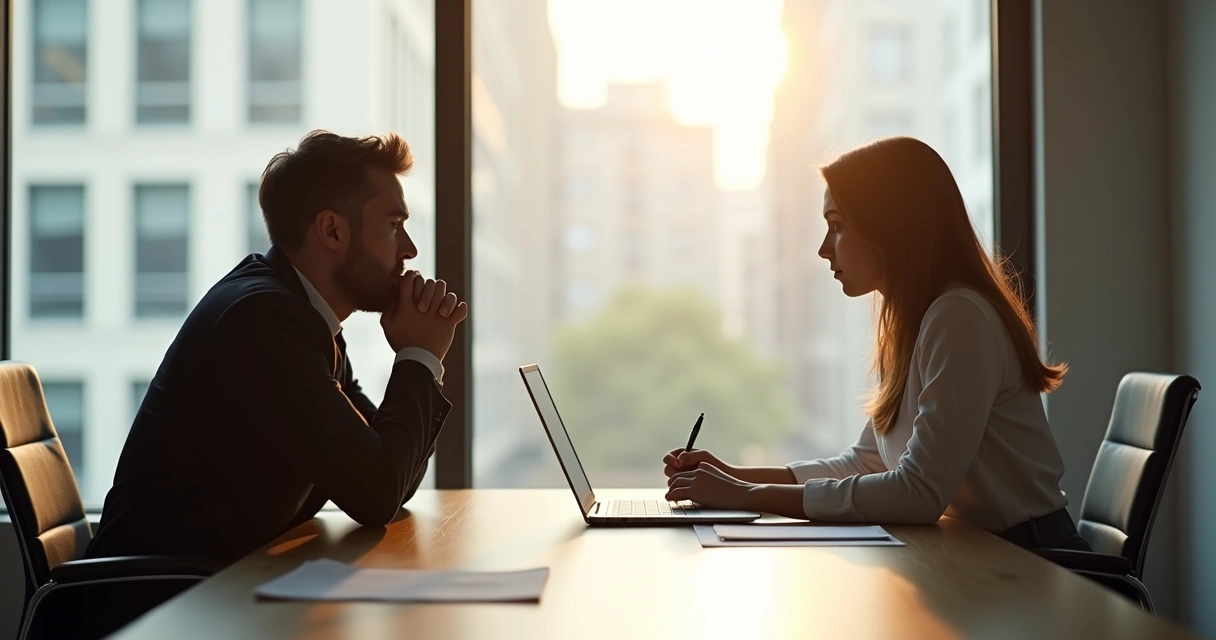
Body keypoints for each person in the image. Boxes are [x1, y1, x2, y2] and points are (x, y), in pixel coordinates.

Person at [663, 136, 1090, 551]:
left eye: (837, 227)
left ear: (888, 227)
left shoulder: (958, 318)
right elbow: (865, 463)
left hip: (1034, 561)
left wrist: (747, 496)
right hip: (979, 553)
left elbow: (918, 493)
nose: (823, 249)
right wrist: (736, 477)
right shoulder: (917, 320)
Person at [86, 130, 467, 567]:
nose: (410, 249)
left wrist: (422, 359)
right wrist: (420, 357)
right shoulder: (264, 322)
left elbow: (386, 473)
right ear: (331, 230)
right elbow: (377, 492)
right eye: (393, 226)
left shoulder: (301, 315)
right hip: (150, 609)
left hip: (215, 592)